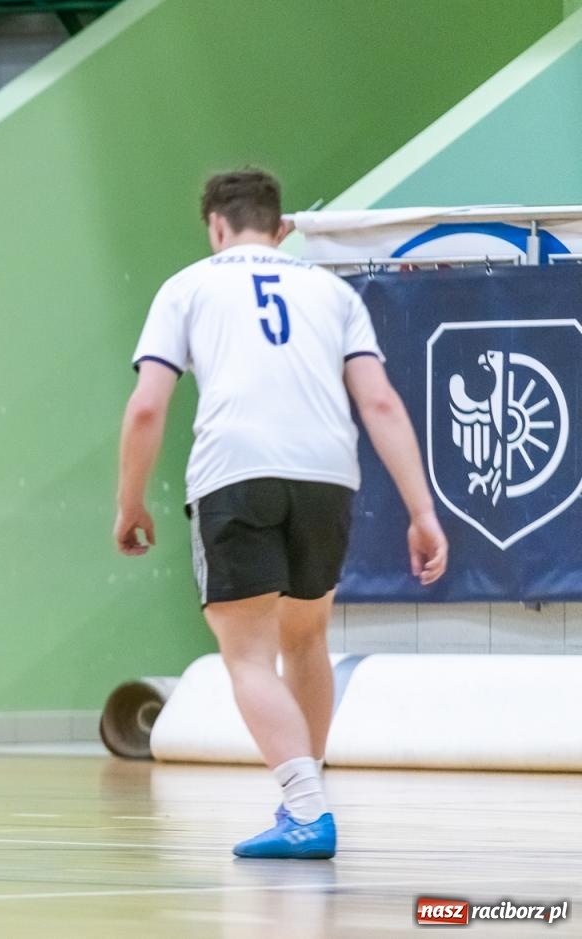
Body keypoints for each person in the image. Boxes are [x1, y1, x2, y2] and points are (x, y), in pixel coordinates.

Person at [114, 168, 447, 859]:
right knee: (306, 638)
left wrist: (130, 502)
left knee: (247, 654)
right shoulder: (331, 291)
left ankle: (304, 808)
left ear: (215, 225)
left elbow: (148, 404)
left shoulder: (188, 285)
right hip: (328, 475)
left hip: (236, 472)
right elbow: (380, 402)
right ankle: (306, 794)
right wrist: (423, 509)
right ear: (282, 226)